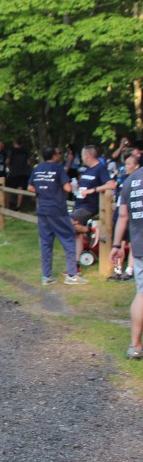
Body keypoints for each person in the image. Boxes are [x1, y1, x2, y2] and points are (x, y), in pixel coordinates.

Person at [28, 147, 86, 285]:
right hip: (57, 210)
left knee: (46, 243)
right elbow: (67, 188)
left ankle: (46, 276)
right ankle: (72, 275)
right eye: (59, 154)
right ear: (54, 156)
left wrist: (43, 192)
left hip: (42, 210)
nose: (60, 155)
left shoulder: (37, 169)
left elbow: (30, 188)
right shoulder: (58, 168)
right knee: (69, 239)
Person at [109, 157, 143, 359]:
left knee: (142, 293)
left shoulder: (131, 180)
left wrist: (116, 245)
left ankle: (135, 346)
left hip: (139, 245)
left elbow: (123, 216)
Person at [72, 145, 117, 265]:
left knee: (66, 222)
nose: (82, 158)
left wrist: (93, 190)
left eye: (82, 155)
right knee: (77, 234)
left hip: (89, 206)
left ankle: (90, 231)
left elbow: (111, 184)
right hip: (79, 203)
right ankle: (76, 265)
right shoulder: (87, 170)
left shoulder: (100, 168)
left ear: (87, 156)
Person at [110, 154, 139, 281]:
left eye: (129, 164)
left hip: (133, 215)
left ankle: (130, 270)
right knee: (120, 239)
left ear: (136, 166)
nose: (126, 166)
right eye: (125, 163)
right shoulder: (124, 179)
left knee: (132, 242)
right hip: (121, 212)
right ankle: (118, 269)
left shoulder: (136, 181)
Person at [6, 138, 31, 210]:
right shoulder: (25, 151)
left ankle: (8, 204)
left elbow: (7, 161)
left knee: (8, 188)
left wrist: (9, 167)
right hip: (23, 172)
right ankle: (18, 205)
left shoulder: (11, 151)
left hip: (14, 172)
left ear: (14, 143)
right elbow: (28, 162)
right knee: (20, 188)